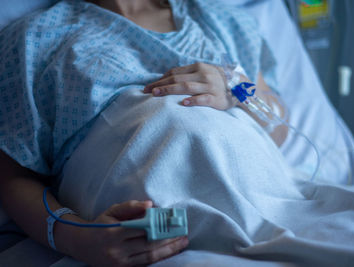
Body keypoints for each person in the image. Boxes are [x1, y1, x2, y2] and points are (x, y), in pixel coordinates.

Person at [0, 0, 288, 266]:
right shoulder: (32, 40)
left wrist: (237, 90)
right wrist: (74, 237)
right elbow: (14, 176)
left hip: (274, 210)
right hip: (157, 244)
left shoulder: (223, 22)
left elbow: (281, 129)